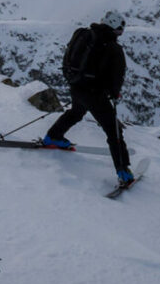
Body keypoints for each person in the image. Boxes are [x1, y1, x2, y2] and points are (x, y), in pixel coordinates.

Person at [39, 10, 133, 185]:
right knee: (113, 131)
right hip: (95, 94)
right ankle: (123, 171)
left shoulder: (84, 35)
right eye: (120, 28)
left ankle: (54, 136)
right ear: (114, 27)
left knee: (76, 112)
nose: (121, 32)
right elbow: (117, 77)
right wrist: (114, 93)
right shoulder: (113, 48)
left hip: (76, 85)